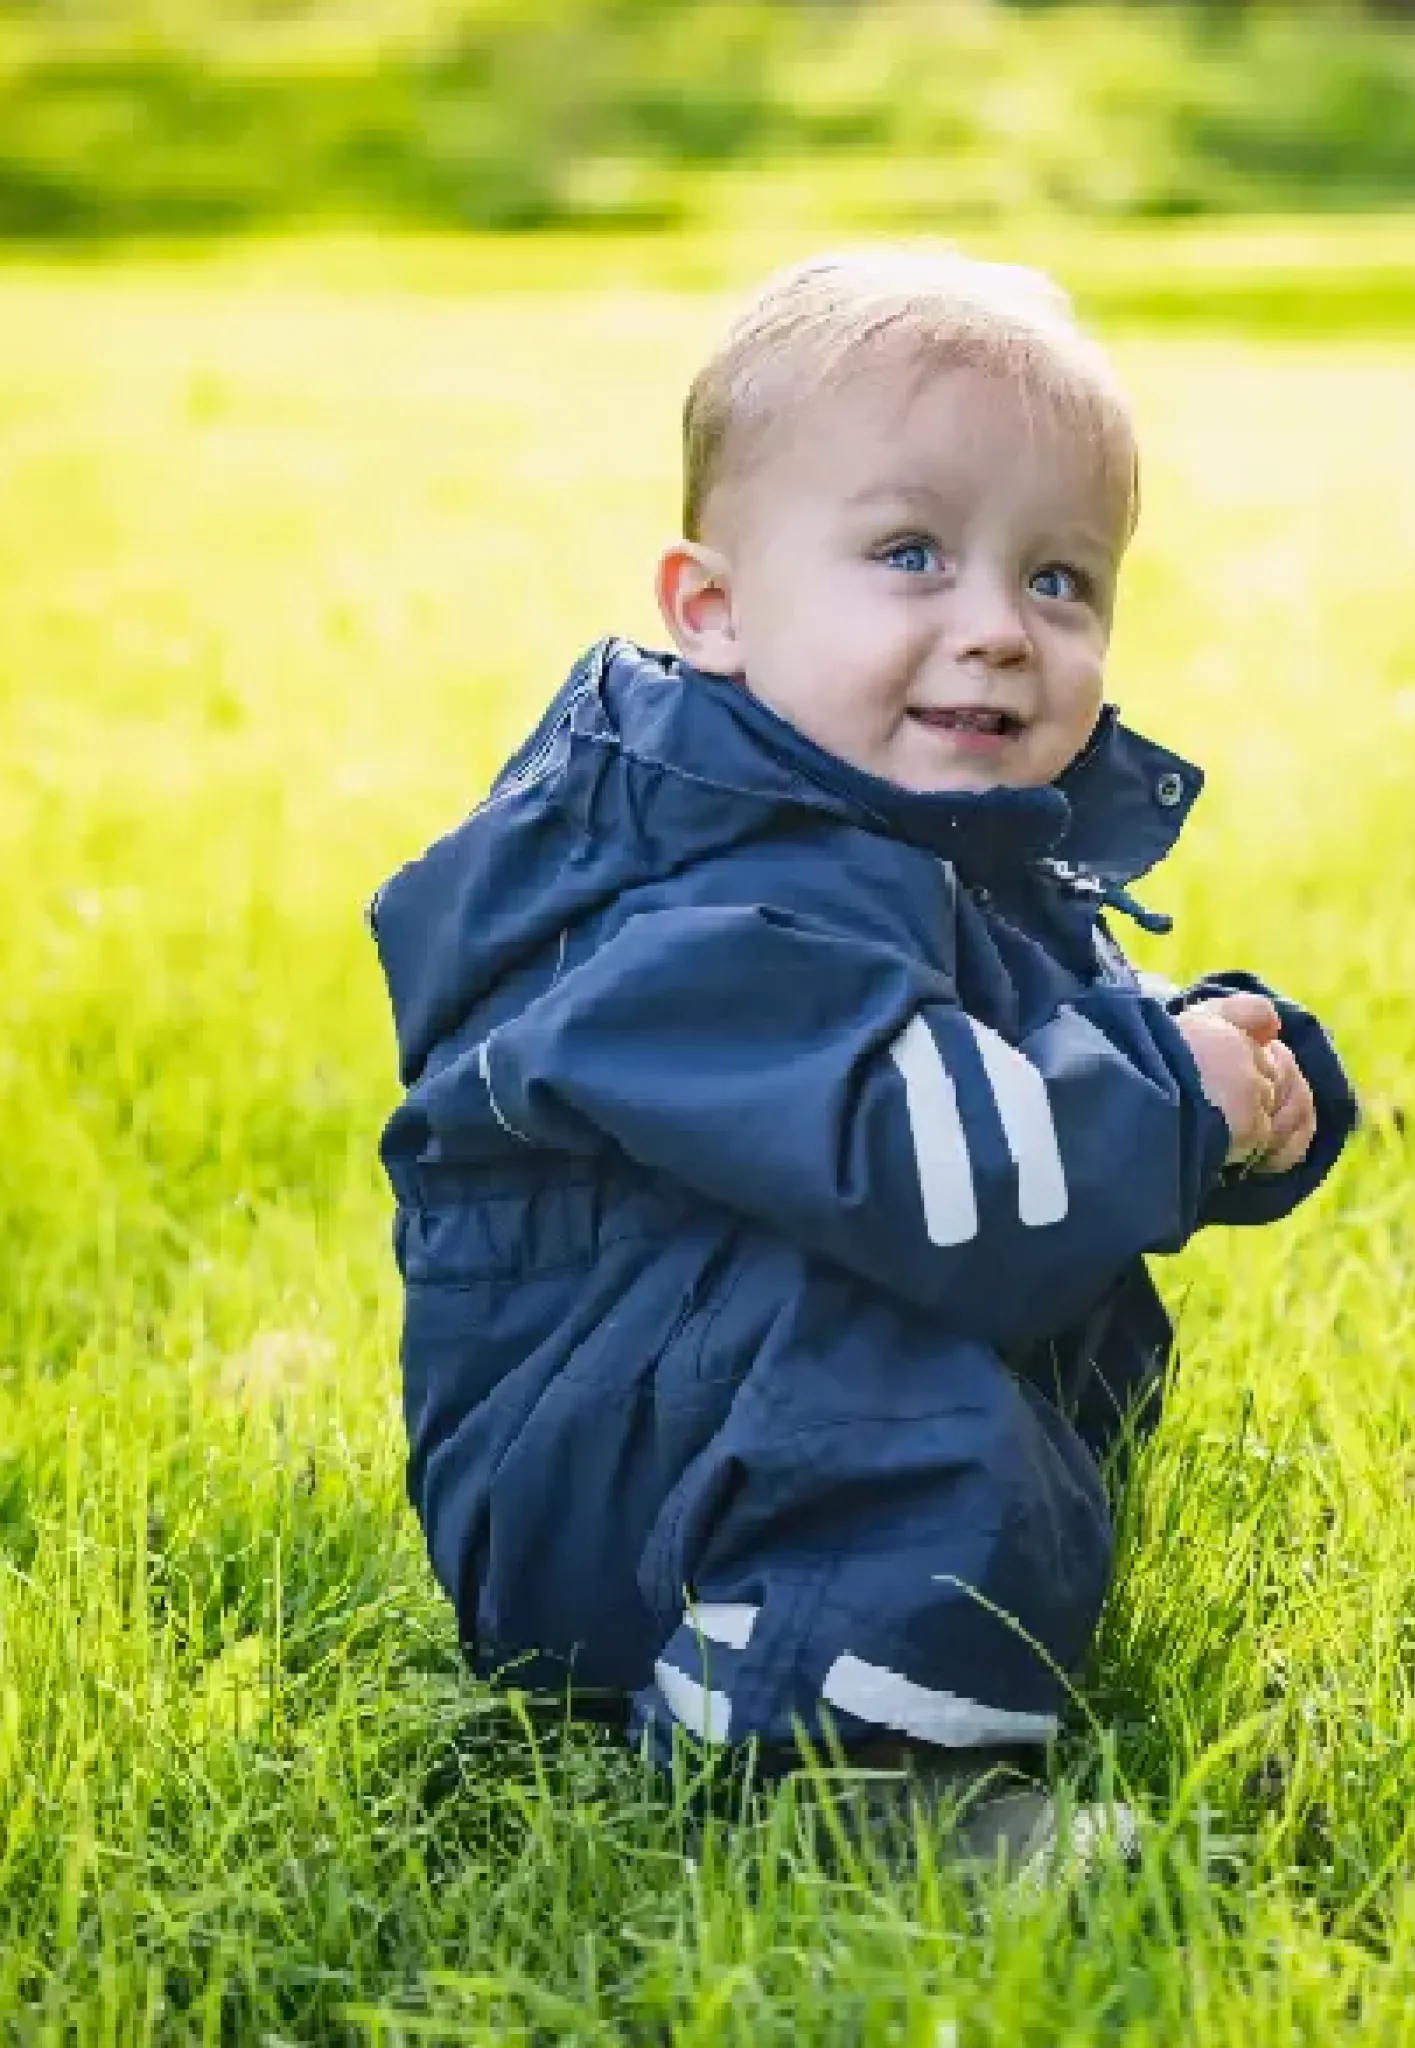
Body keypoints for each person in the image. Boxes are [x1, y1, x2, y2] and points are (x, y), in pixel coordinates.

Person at [368, 248, 1356, 1872]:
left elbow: (1055, 1044)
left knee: (935, 1375)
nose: (998, 631)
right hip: (606, 1489)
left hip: (710, 1417)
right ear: (717, 610)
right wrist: (1167, 1098)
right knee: (899, 1390)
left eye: (1060, 580)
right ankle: (832, 1786)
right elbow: (941, 1167)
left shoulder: (909, 834)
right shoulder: (700, 900)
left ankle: (875, 1654)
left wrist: (1237, 1070)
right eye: (911, 553)